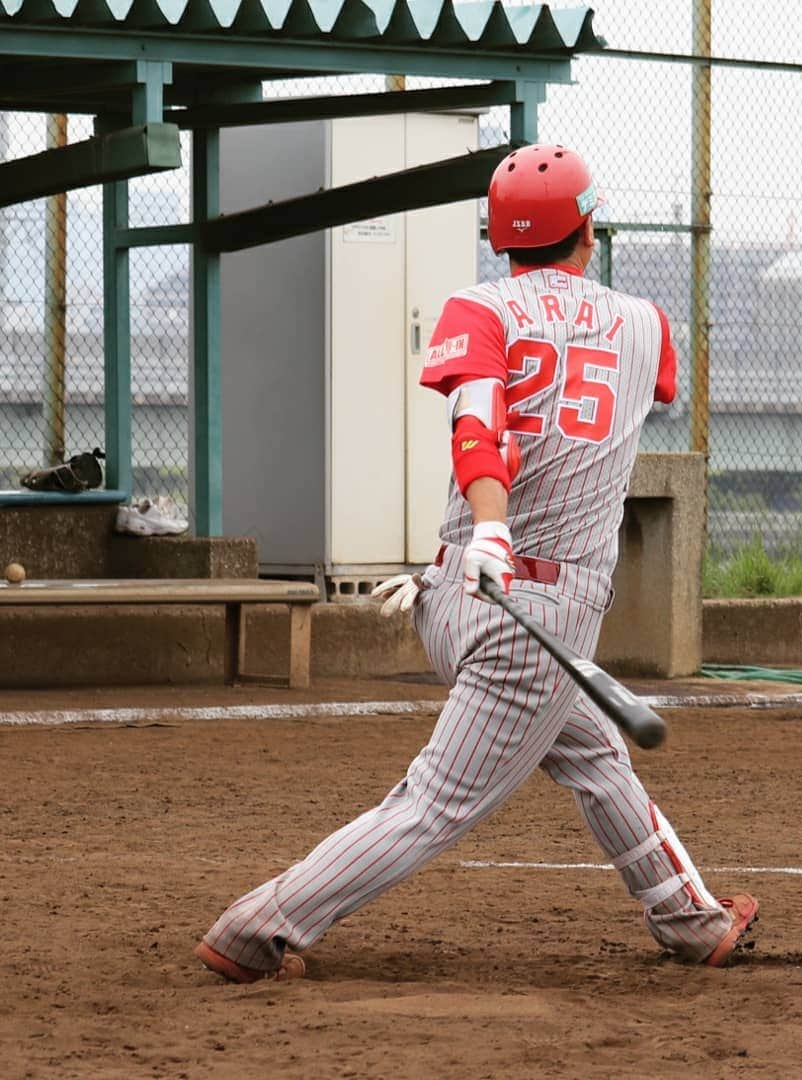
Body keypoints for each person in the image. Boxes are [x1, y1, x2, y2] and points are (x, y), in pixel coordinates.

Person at [194, 145, 758, 984]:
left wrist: (484, 532)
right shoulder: (647, 324)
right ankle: (259, 927)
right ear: (587, 231)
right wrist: (499, 527)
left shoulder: (478, 306)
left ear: (498, 236)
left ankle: (689, 918)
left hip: (456, 588)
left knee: (596, 751)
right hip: (537, 613)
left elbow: (480, 423)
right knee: (433, 804)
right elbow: (566, 403)